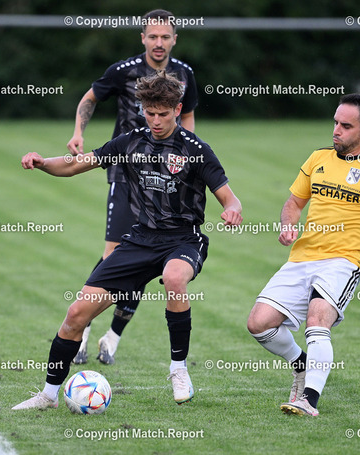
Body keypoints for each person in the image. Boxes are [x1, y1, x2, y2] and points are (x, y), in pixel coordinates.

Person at [13, 72, 242, 410]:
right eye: (150, 113)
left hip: (183, 240)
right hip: (139, 240)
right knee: (76, 314)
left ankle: (178, 370)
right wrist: (43, 162)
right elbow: (76, 165)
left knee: (175, 278)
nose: (156, 121)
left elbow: (229, 197)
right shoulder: (130, 142)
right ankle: (48, 395)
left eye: (163, 114)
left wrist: (232, 210)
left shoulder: (196, 150)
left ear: (178, 110)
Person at [247, 94, 360, 417]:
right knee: (259, 324)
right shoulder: (318, 158)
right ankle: (301, 363)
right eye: (335, 122)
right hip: (302, 257)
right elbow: (294, 203)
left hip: (344, 261)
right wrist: (288, 226)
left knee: (317, 319)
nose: (336, 130)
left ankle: (308, 399)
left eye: (346, 126)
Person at [66, 9, 198, 366]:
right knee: (115, 255)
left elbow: (187, 116)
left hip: (165, 179)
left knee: (148, 256)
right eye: (152, 36)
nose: (159, 42)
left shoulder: (184, 74)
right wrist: (78, 132)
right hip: (125, 175)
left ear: (174, 39)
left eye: (165, 36)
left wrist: (187, 154)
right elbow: (90, 97)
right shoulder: (124, 71)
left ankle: (113, 336)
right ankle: (83, 328)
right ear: (143, 38)